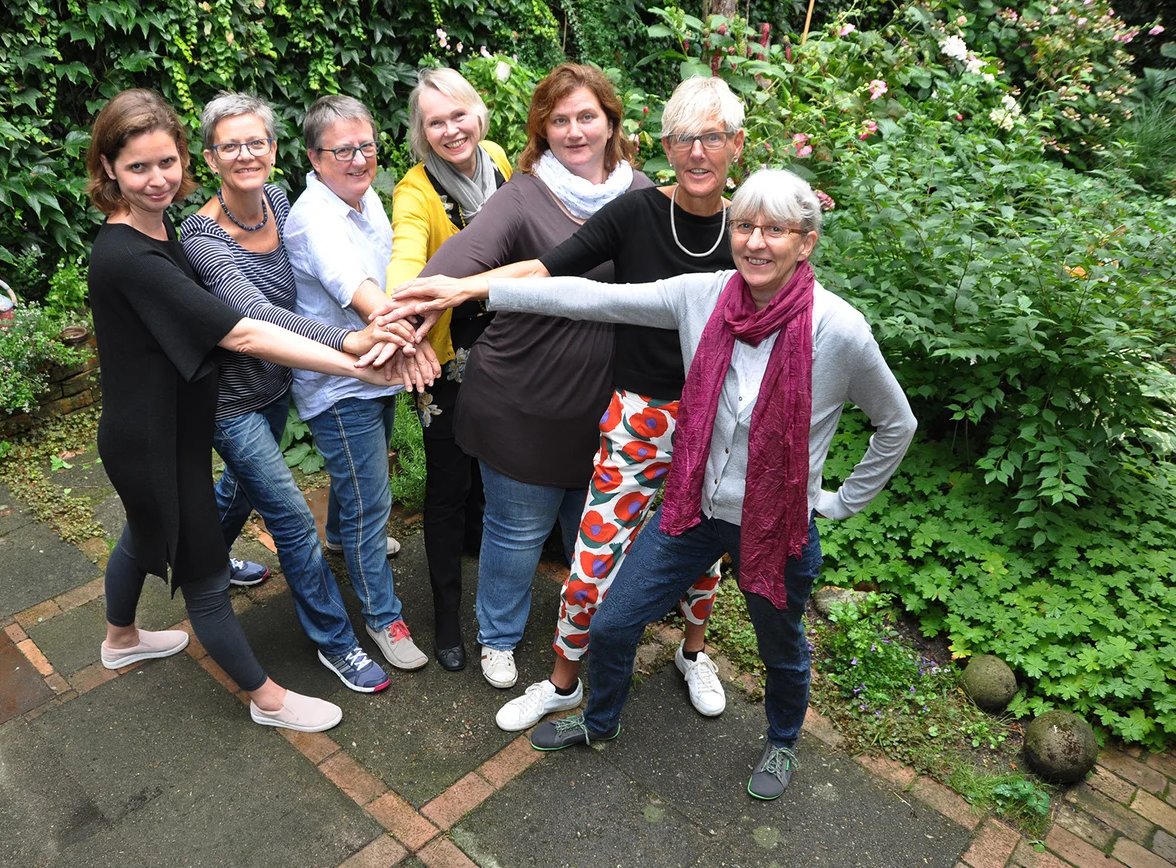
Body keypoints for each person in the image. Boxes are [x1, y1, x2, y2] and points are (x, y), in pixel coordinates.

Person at [388, 168, 917, 799]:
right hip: (695, 509)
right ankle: (600, 721)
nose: (754, 241)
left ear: (805, 243)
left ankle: (782, 743)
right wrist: (470, 291)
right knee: (613, 622)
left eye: (775, 230)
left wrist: (840, 501)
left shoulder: (839, 331)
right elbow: (589, 298)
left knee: (782, 646)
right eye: (745, 225)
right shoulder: (704, 296)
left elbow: (897, 423)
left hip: (777, 524)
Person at [86, 88, 416, 733]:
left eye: (164, 163)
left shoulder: (186, 226)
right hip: (174, 426)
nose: (157, 179)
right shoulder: (151, 247)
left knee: (152, 529)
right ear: (108, 171)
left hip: (205, 410)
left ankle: (119, 637)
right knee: (248, 545)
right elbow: (242, 326)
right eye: (137, 168)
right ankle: (287, 681)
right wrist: (357, 357)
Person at [479, 77, 747, 730]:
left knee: (704, 559)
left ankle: (692, 653)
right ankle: (565, 683)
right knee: (593, 559)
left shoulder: (754, 230)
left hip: (715, 424)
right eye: (683, 137)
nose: (698, 151)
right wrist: (455, 288)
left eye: (713, 136)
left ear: (737, 146)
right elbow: (549, 271)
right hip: (638, 417)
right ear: (664, 146)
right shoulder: (635, 214)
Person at [413, 63, 651, 689]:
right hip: (522, 403)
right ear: (542, 129)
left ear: (610, 122)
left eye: (586, 117)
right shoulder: (521, 195)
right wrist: (407, 311)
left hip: (608, 411)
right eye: (559, 120)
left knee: (592, 537)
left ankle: (584, 634)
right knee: (515, 532)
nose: (574, 131)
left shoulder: (644, 197)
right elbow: (449, 267)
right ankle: (498, 636)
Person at [180, 91, 416, 693]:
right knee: (288, 515)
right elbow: (258, 318)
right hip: (230, 399)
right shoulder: (199, 236)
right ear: (210, 158)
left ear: (274, 148)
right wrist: (351, 342)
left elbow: (306, 284)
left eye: (255, 141)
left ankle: (200, 555)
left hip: (281, 382)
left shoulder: (281, 204)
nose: (245, 154)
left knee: (237, 492)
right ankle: (337, 642)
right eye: (230, 145)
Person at [283, 95, 437, 672]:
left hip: (376, 369)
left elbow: (393, 270)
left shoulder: (366, 195)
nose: (358, 159)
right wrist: (415, 341)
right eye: (342, 150)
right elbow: (362, 294)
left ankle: (342, 542)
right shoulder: (314, 218)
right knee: (374, 498)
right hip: (339, 382)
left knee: (358, 478)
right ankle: (381, 617)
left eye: (366, 146)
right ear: (314, 158)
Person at [386, 67, 513, 671]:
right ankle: (445, 617)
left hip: (510, 350)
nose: (450, 129)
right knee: (446, 484)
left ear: (478, 114)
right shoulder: (415, 191)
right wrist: (401, 311)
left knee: (492, 472)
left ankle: (480, 557)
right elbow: (406, 255)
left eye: (458, 114)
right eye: (435, 121)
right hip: (446, 357)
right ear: (422, 131)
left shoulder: (498, 160)